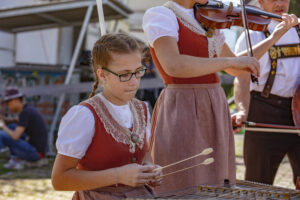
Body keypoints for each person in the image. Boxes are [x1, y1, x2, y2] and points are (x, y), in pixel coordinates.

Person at [142, 0, 262, 194]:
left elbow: (234, 67)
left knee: (216, 177)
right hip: (183, 102)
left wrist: (277, 35)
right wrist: (231, 61)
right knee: (184, 178)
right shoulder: (162, 15)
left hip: (214, 103)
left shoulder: (208, 16)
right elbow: (174, 65)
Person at [51, 33, 162, 200]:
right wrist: (118, 176)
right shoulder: (85, 115)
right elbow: (59, 180)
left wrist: (148, 168)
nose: (134, 82)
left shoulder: (142, 109)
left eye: (138, 71)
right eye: (124, 74)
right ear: (102, 75)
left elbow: (145, 151)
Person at [233, 0, 300, 186]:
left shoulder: (299, 28)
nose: (279, 3)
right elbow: (242, 78)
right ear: (260, 2)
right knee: (258, 183)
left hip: (299, 110)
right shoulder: (251, 35)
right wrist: (242, 109)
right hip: (264, 111)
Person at [0, 88, 48, 169]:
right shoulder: (28, 109)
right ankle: (14, 158)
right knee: (12, 126)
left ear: (15, 100)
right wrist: (4, 119)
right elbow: (17, 120)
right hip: (38, 151)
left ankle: (9, 156)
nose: (8, 106)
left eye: (8, 102)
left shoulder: (25, 112)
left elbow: (15, 136)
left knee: (1, 134)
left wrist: (2, 126)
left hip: (35, 154)